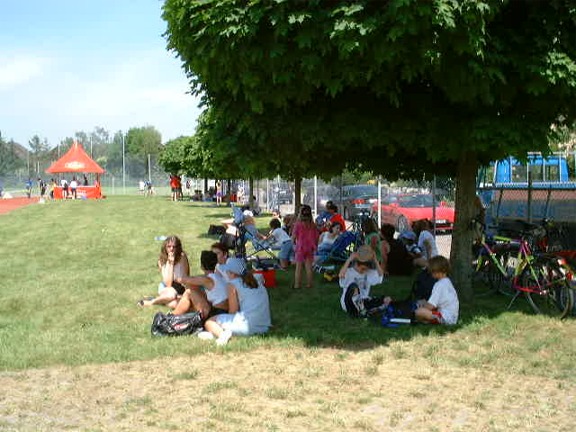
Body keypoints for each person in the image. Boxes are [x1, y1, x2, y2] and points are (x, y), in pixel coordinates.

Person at [204, 258, 271, 345]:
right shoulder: (258, 281)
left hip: (247, 327)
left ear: (232, 273)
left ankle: (222, 335)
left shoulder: (232, 285)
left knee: (209, 322)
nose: (226, 273)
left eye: (227, 271)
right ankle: (216, 333)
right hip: (264, 327)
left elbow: (233, 312)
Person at [172, 250, 229, 319]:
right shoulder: (217, 277)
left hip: (216, 314)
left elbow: (182, 279)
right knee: (193, 291)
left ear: (202, 266)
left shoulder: (206, 280)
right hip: (224, 311)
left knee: (189, 292)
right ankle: (175, 315)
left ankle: (172, 316)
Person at [139, 236, 190, 308]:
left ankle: (158, 299)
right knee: (172, 295)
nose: (171, 249)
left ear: (178, 248)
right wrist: (171, 263)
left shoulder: (182, 257)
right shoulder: (161, 260)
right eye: (169, 246)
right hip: (166, 287)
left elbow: (185, 278)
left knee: (175, 304)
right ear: (165, 247)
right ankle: (151, 302)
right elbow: (168, 283)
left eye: (174, 247)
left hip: (180, 287)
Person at [338, 245, 388, 317]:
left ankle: (367, 310)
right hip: (349, 303)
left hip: (363, 301)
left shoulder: (369, 272)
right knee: (353, 287)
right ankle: (364, 310)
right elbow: (341, 275)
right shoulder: (349, 272)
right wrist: (349, 260)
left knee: (386, 299)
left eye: (365, 269)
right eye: (362, 269)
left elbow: (380, 275)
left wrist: (375, 260)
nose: (363, 271)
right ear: (356, 264)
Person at [414, 255, 459, 325]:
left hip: (444, 317)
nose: (430, 273)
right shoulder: (447, 281)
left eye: (432, 271)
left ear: (437, 271)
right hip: (452, 317)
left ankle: (428, 321)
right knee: (422, 304)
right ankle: (428, 320)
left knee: (419, 312)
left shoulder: (439, 285)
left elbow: (431, 306)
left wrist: (422, 306)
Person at [291, 204, 319, 289]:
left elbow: (293, 237)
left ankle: (297, 285)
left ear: (300, 213)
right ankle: (309, 284)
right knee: (308, 267)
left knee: (298, 267)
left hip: (300, 247)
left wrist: (293, 244)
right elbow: (316, 237)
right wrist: (315, 246)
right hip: (310, 247)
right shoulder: (313, 225)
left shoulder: (298, 224)